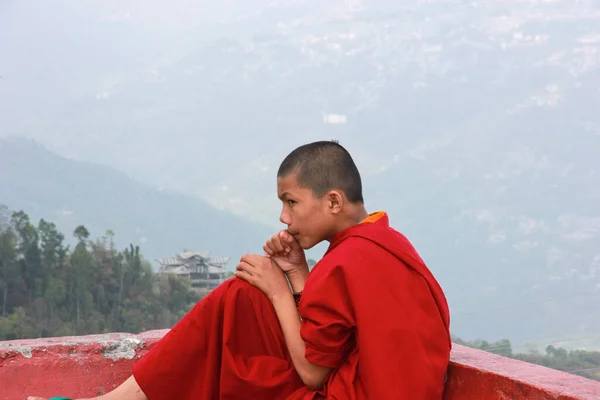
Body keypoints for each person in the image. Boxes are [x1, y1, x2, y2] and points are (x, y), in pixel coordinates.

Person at [27, 140, 451, 400]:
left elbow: (313, 370)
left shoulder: (347, 260)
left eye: (291, 201)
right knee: (247, 295)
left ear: (334, 202)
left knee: (246, 294)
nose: (284, 217)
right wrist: (300, 274)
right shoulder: (386, 241)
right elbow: (343, 332)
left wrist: (281, 290)